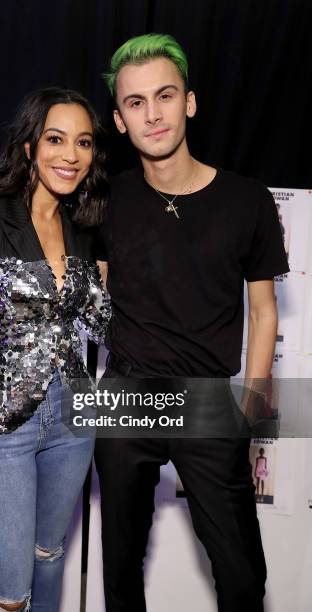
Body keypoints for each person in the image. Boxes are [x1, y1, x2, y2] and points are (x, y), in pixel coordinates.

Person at [94, 34, 289, 612]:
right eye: (135, 103)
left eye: (165, 96)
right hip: (125, 394)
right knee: (121, 570)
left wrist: (252, 406)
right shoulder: (104, 200)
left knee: (240, 576)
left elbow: (263, 309)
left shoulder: (249, 201)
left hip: (206, 401)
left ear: (191, 102)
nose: (152, 114)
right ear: (120, 120)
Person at [0, 87, 110, 612]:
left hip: (74, 422)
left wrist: (109, 279)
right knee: (10, 594)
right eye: (56, 139)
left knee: (49, 554)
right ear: (30, 146)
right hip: (2, 429)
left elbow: (101, 325)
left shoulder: (82, 230)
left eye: (82, 143)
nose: (71, 155)